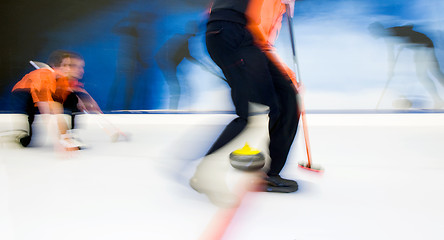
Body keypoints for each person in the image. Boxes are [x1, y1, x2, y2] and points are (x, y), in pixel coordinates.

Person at [190, 0, 301, 204]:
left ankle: (268, 176)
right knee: (250, 113)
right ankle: (205, 173)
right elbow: (260, 32)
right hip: (231, 33)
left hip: (241, 36)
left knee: (283, 102)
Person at [10, 50, 89, 150]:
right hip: (24, 93)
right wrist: (59, 142)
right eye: (66, 65)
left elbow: (59, 103)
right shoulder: (42, 79)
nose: (70, 69)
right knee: (29, 137)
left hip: (45, 94)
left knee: (73, 99)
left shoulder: (64, 80)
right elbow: (47, 112)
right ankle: (27, 137)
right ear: (55, 66)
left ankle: (71, 135)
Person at [368, 22, 444, 108]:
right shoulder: (388, 35)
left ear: (378, 30)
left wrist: (405, 42)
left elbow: (409, 27)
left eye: (373, 32)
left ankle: (438, 100)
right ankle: (438, 100)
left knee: (425, 75)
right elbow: (391, 55)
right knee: (434, 73)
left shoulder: (390, 32)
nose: (372, 34)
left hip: (423, 46)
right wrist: (391, 70)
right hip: (422, 48)